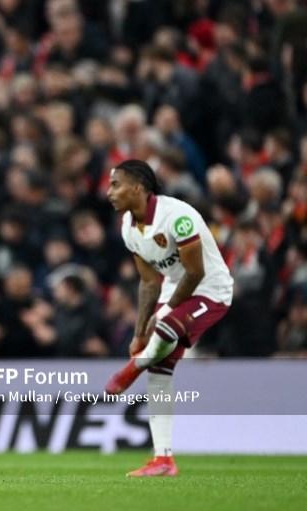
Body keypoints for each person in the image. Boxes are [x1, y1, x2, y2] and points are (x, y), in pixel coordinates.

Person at [104, 159, 233, 477]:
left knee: (166, 327)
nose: (109, 192)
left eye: (115, 184)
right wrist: (138, 331)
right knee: (160, 369)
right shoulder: (128, 227)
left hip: (209, 290)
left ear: (138, 187)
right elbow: (149, 282)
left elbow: (195, 272)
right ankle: (163, 459)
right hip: (173, 291)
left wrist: (164, 313)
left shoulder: (178, 216)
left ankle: (134, 367)